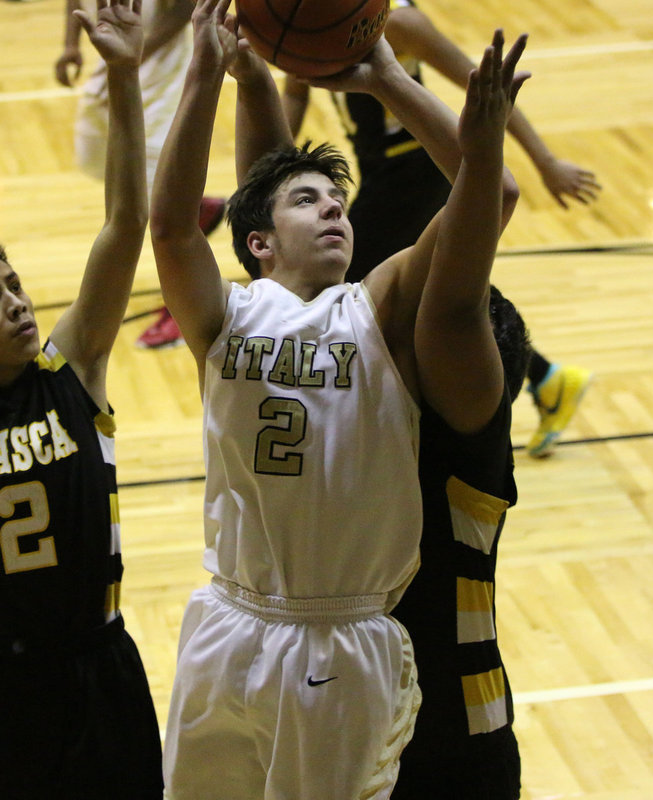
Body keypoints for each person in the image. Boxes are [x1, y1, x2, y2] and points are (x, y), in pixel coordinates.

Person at [149, 0, 528, 794]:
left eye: (339, 200)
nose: (333, 208)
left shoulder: (378, 306)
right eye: (308, 199)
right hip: (228, 616)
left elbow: (485, 200)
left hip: (342, 632)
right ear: (257, 243)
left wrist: (390, 78)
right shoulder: (229, 313)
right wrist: (207, 73)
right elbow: (171, 228)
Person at [281, 0, 594, 457]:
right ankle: (547, 378)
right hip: (378, 172)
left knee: (355, 288)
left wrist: (544, 160)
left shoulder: (401, 21)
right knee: (423, 290)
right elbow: (295, 92)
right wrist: (270, 171)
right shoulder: (313, 14)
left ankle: (351, 415)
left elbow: (489, 88)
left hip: (416, 170)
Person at [0, 1, 162, 797]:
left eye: (13, 282)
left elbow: (126, 220)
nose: (16, 301)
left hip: (99, 669)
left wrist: (125, 73)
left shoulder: (70, 368)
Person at [391, 286, 532, 799]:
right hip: (355, 721)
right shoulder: (374, 426)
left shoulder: (470, 438)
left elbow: (456, 311)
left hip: (457, 740)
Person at [55, 0, 225, 349]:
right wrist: (71, 45)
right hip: (116, 44)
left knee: (159, 208)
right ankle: (198, 209)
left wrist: (132, 59)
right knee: (93, 154)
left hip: (157, 61)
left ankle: (183, 311)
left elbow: (183, 9)